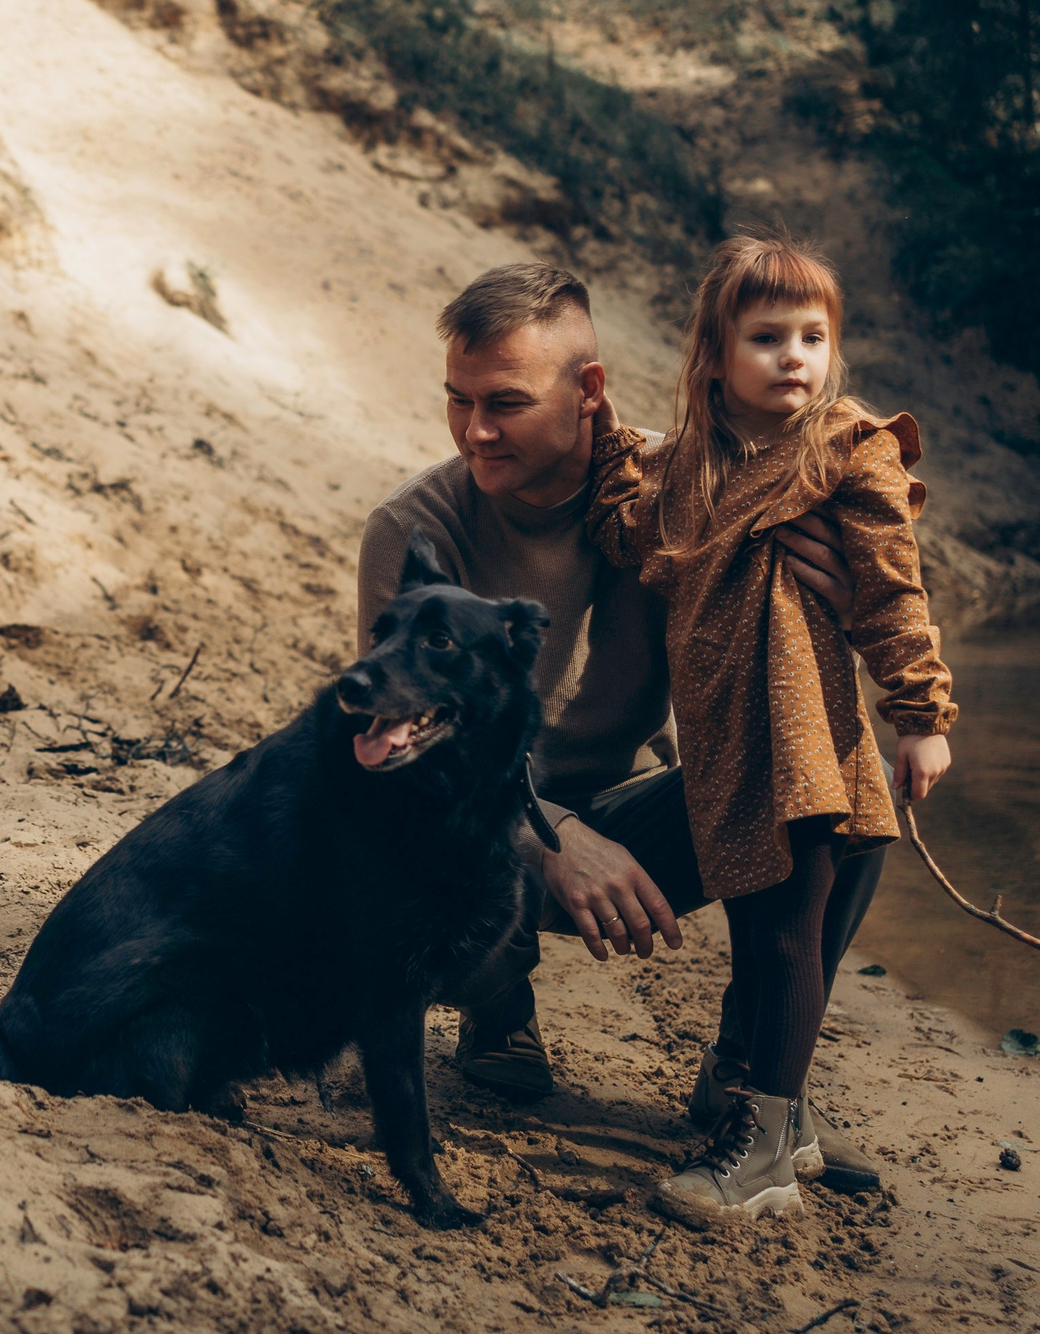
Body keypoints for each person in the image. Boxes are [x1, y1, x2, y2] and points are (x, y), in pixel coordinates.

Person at [357, 261, 892, 1197]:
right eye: (459, 400)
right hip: (485, 827)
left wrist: (845, 599)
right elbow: (414, 770)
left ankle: (746, 1072)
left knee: (843, 790)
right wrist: (556, 837)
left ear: (589, 391)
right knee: (432, 885)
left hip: (624, 809)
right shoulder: (415, 529)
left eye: (506, 403)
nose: (474, 429)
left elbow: (774, 667)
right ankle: (497, 1004)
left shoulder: (684, 488)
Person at [585, 235, 953, 1223]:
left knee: (787, 941)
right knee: (755, 942)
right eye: (766, 337)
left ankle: (759, 1154)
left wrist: (917, 715)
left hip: (803, 747)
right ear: (714, 357)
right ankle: (772, 1118)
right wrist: (607, 445)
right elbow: (629, 533)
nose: (795, 355)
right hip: (725, 751)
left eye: (812, 335)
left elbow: (889, 588)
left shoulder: (844, 446)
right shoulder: (695, 468)